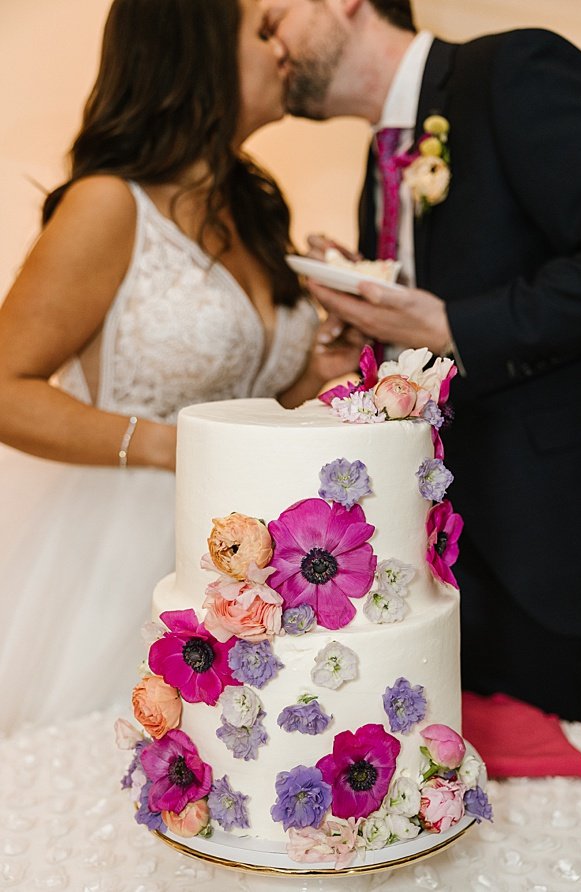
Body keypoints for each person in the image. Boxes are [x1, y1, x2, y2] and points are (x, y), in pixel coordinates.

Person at [0, 0, 357, 734]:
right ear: (197, 54)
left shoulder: (253, 209)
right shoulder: (108, 205)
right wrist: (174, 444)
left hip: (246, 559)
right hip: (120, 551)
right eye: (261, 33)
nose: (282, 46)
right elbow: (6, 388)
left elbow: (255, 394)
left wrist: (332, 358)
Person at [258, 0, 581, 724]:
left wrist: (447, 323)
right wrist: (370, 317)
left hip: (546, 535)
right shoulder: (377, 165)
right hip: (443, 539)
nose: (269, 43)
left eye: (273, 17)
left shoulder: (513, 70)